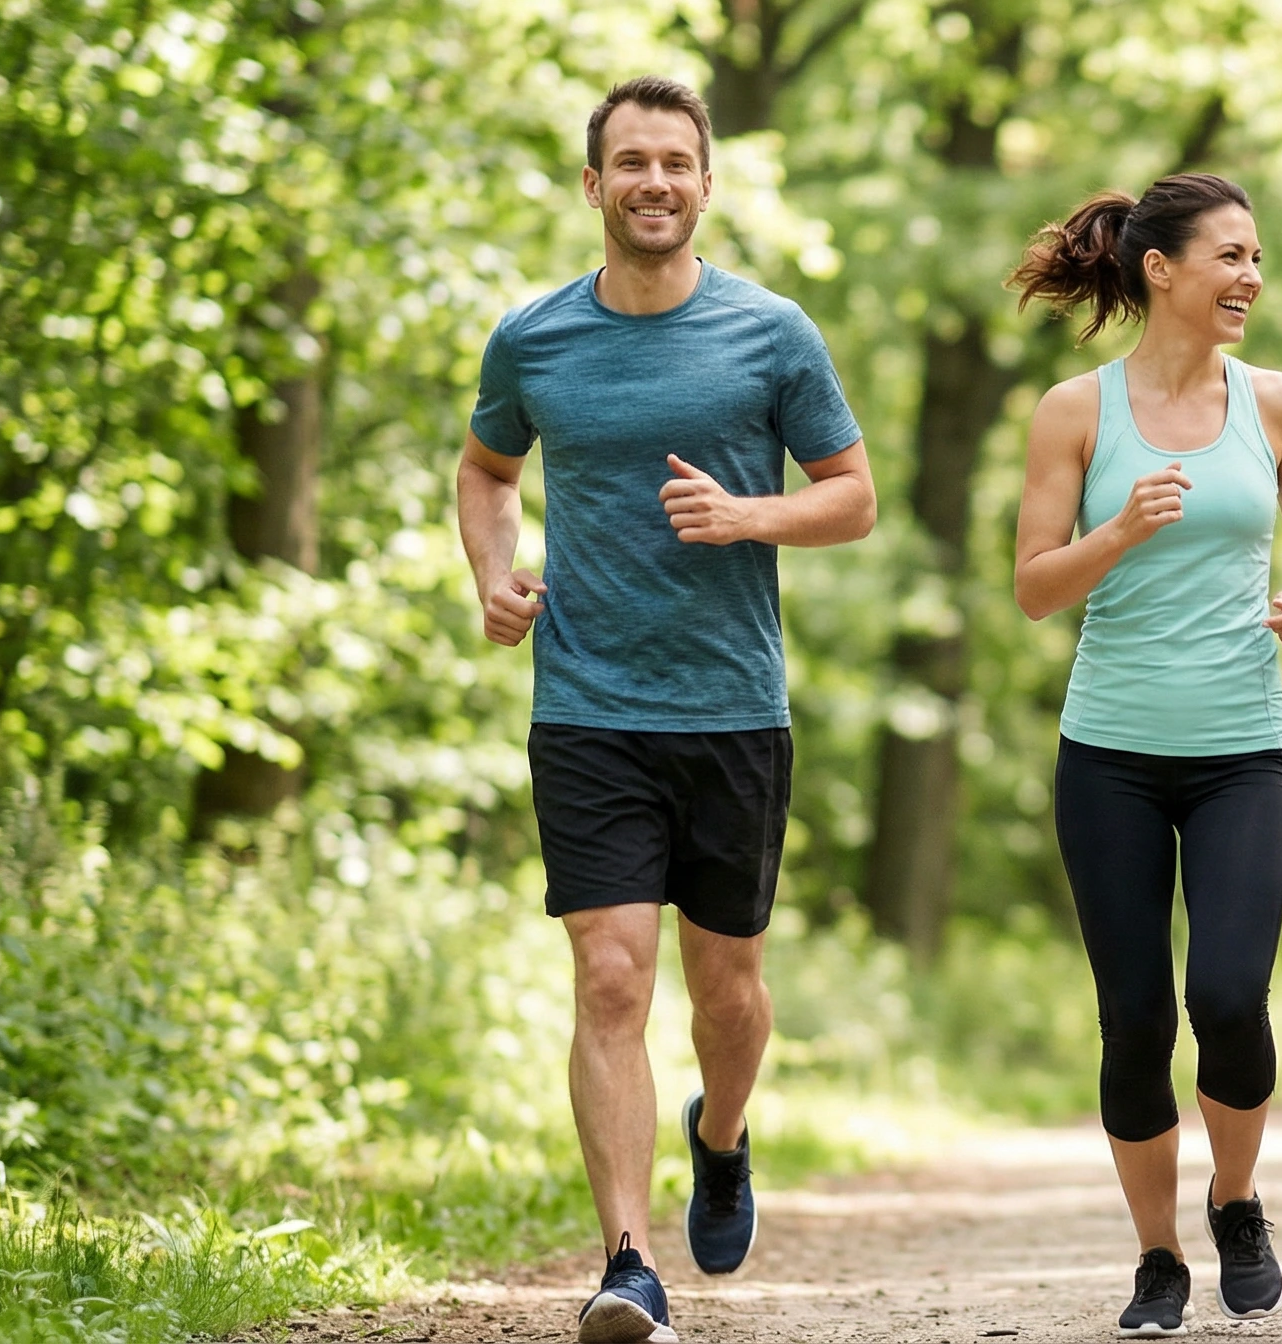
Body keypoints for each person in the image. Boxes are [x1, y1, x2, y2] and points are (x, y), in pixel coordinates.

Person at [455, 76, 875, 1344]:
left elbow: (853, 497)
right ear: (594, 186)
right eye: (628, 163)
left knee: (729, 988)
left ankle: (723, 1132)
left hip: (732, 707)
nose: (653, 183)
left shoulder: (773, 334)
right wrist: (493, 572)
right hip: (586, 703)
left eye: (675, 163)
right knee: (609, 978)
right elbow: (485, 470)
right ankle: (630, 1262)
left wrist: (752, 515)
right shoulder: (534, 338)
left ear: (706, 183)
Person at [1007, 172, 1282, 1340]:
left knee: (1232, 997)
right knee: (1136, 1016)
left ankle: (1235, 1201)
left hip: (1244, 747)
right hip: (1110, 752)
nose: (1252, 277)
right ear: (1162, 269)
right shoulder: (1075, 411)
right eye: (1232, 256)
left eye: (1257, 258)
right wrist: (1120, 529)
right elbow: (1034, 590)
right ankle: (1158, 1258)